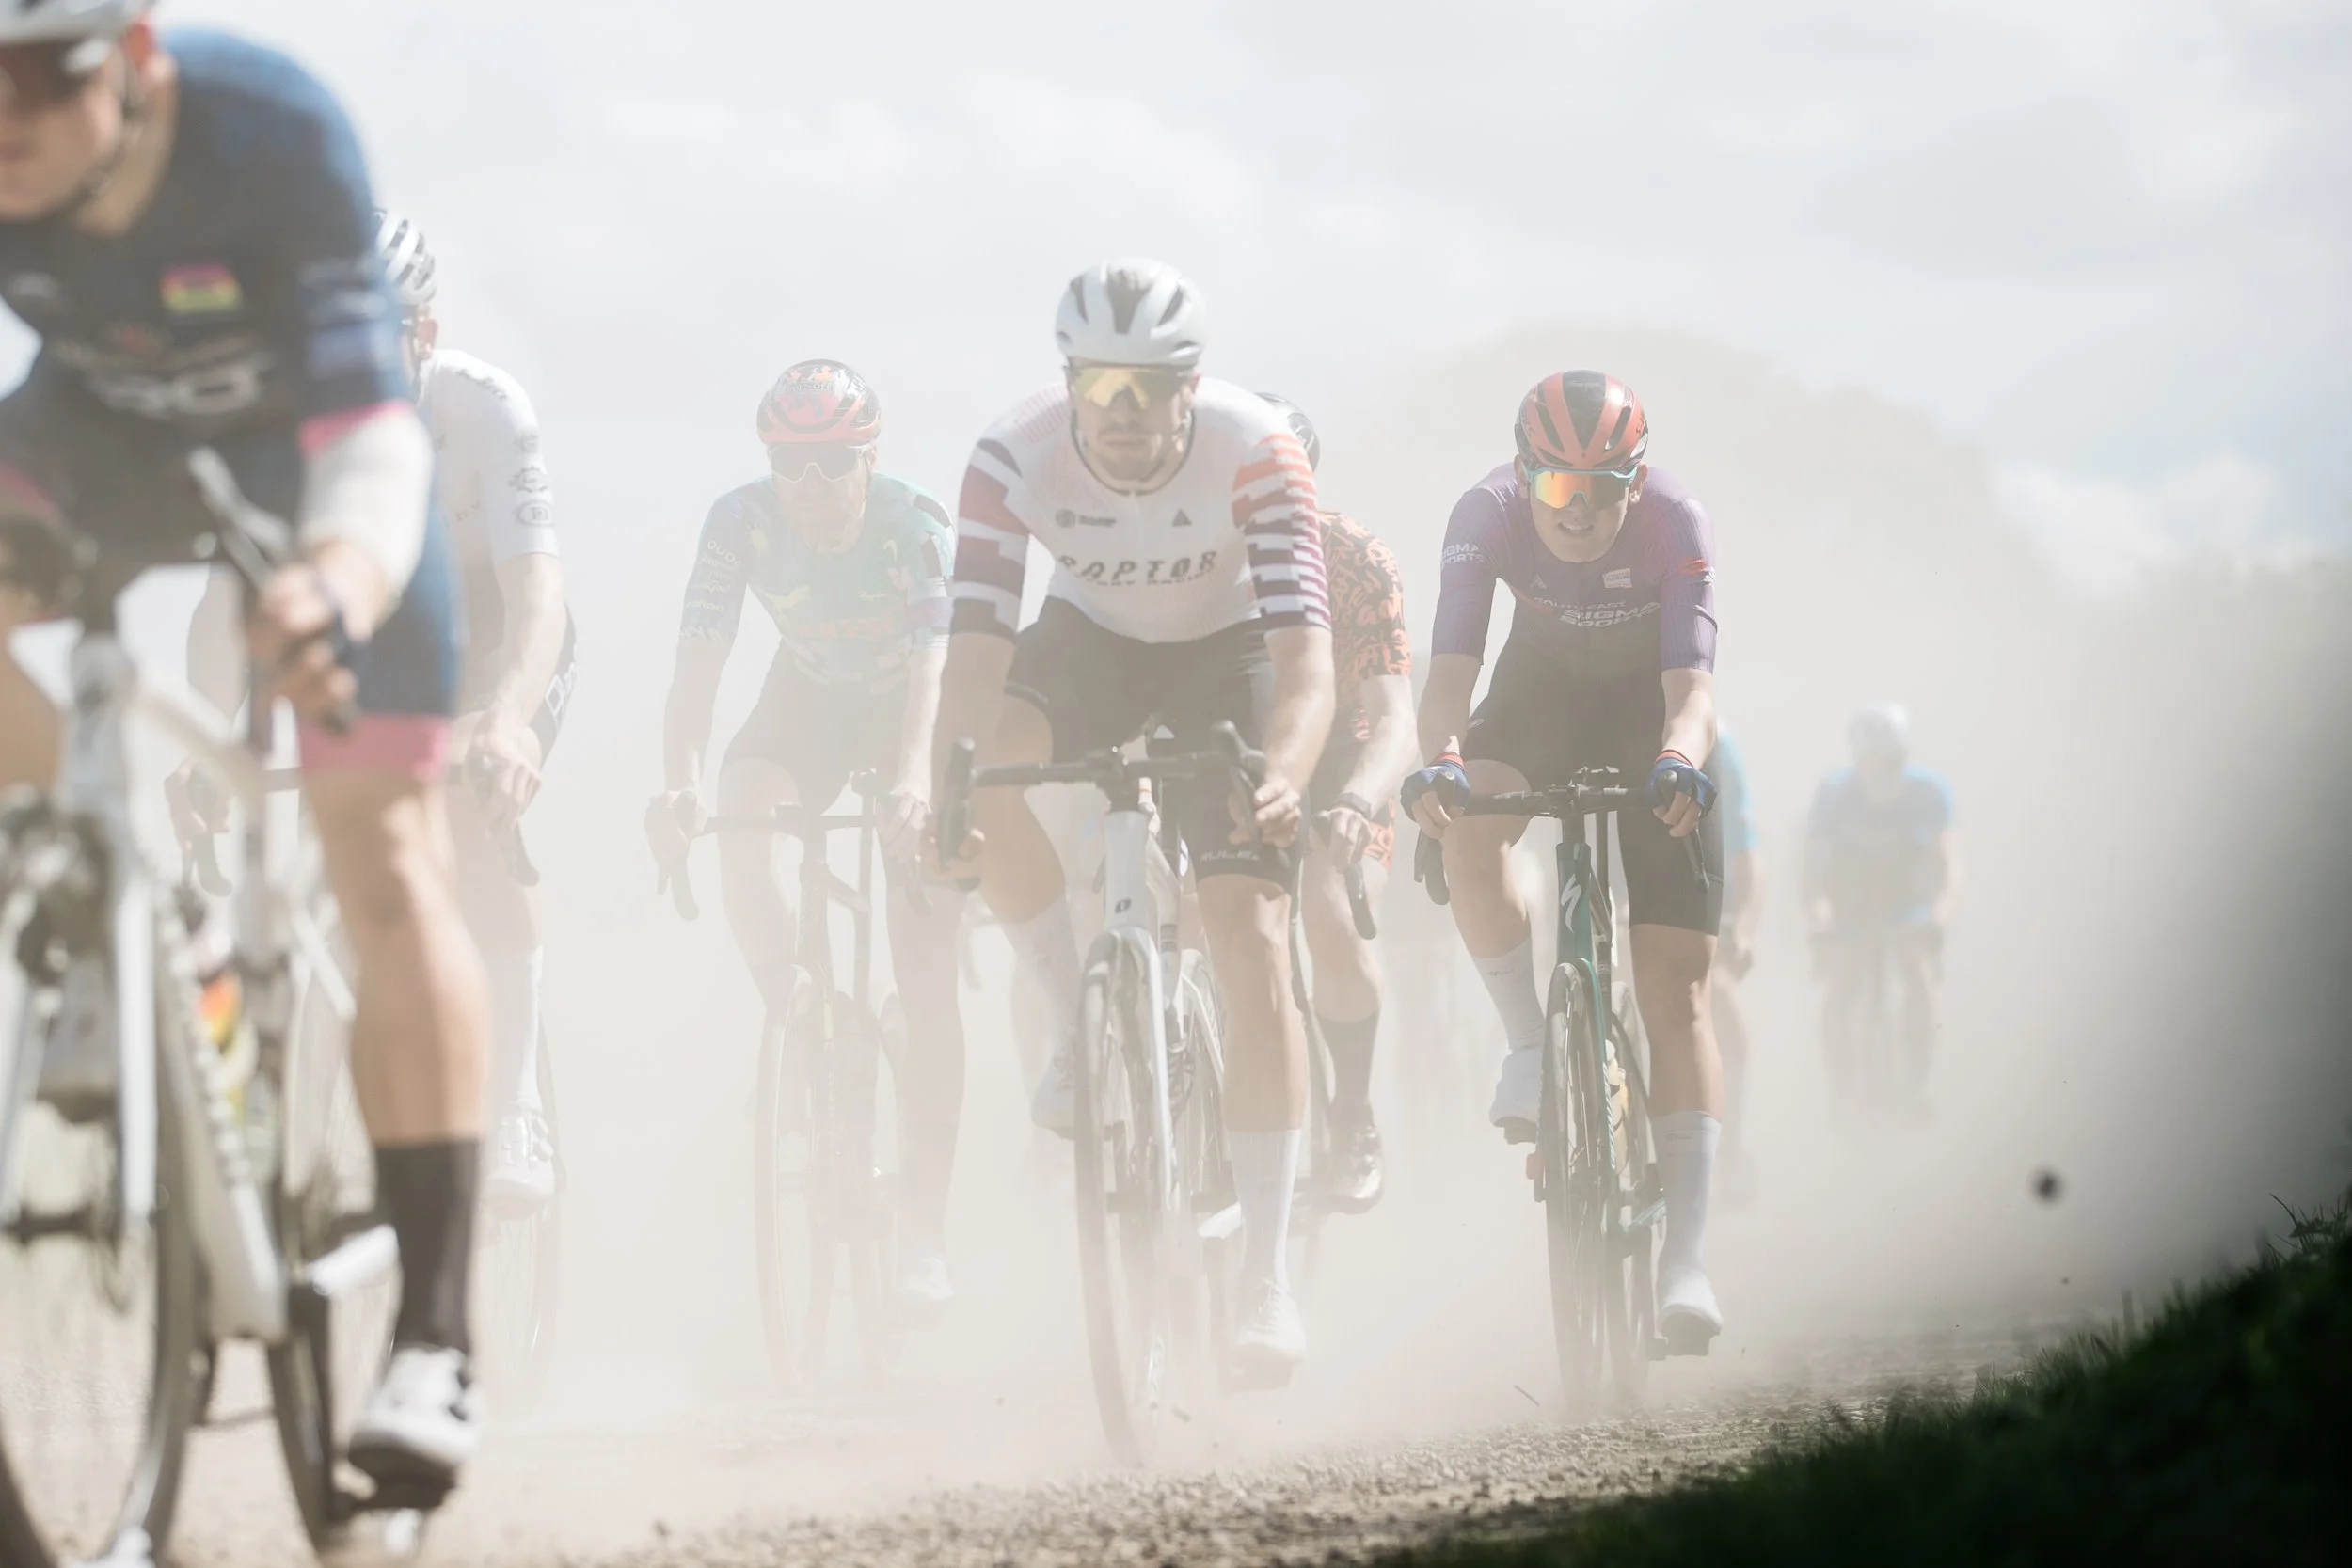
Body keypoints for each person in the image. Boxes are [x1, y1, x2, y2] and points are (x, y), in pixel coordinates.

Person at [0, 4, 490, 1497]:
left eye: (39, 76)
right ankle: (116, 871)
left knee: (383, 849)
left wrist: (333, 582)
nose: (1, 111)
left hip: (314, 455)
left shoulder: (268, 129)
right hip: (102, 433)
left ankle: (436, 1335)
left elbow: (375, 429)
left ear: (135, 64)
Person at [930, 259, 1332, 1381]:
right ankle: (1075, 1021)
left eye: (1145, 388)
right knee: (991, 770)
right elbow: (970, 657)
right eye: (1096, 385)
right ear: (1067, 380)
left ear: (1190, 386)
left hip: (1226, 650)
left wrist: (1288, 772)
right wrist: (947, 789)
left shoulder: (1258, 448)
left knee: (1250, 938)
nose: (1119, 411)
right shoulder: (1011, 455)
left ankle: (1265, 1272)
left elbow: (1306, 658)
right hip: (1091, 639)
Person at [182, 209, 576, 1206]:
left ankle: (519, 1104)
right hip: (374, 626)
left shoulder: (486, 410)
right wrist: (214, 738)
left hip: (493, 636)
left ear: (423, 335)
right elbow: (226, 624)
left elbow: (539, 597)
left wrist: (509, 716)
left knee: (470, 819)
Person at [1401, 370, 1727, 1354]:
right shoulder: (1483, 511)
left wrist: (1678, 758)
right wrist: (1440, 765)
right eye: (1555, 490)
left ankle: (1687, 1258)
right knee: (1466, 830)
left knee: (1676, 989)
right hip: (1536, 693)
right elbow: (1451, 669)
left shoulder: (1676, 519)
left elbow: (1692, 688)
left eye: (1600, 490)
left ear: (1636, 481)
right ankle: (1530, 1046)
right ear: (1522, 475)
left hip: (1648, 713)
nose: (1577, 513)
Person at [643, 360, 966, 1311]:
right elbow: (698, 661)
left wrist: (912, 779)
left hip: (911, 706)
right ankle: (805, 1015)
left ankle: (926, 1230)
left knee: (924, 964)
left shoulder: (916, 523)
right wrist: (680, 782)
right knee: (743, 810)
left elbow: (933, 664)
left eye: (830, 461)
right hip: (812, 698)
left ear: (869, 456)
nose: (810, 485)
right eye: (791, 463)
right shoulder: (740, 520)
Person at [1258, 393, 1416, 1212]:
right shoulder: (1194, 559)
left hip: (1344, 755)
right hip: (1245, 748)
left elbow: (1397, 721)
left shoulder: (1356, 559)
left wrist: (1358, 797)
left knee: (1326, 911)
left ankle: (1350, 1111)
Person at [1804, 702, 1959, 1117]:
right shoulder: (1835, 793)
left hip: (1906, 902)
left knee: (1919, 976)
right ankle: (1839, 1091)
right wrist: (1819, 918)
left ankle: (1917, 1085)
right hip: (1849, 903)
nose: (1883, 773)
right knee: (1841, 987)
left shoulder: (1929, 792)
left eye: (1892, 762)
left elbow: (1950, 867)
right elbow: (1814, 870)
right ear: (1858, 761)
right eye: (1874, 763)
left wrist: (1939, 918)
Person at [1706, 727, 1762, 1200]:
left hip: (1695, 888)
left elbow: (1746, 860)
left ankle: (1733, 1147)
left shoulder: (1719, 747)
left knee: (1720, 999)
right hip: (1618, 890)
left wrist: (1742, 929)